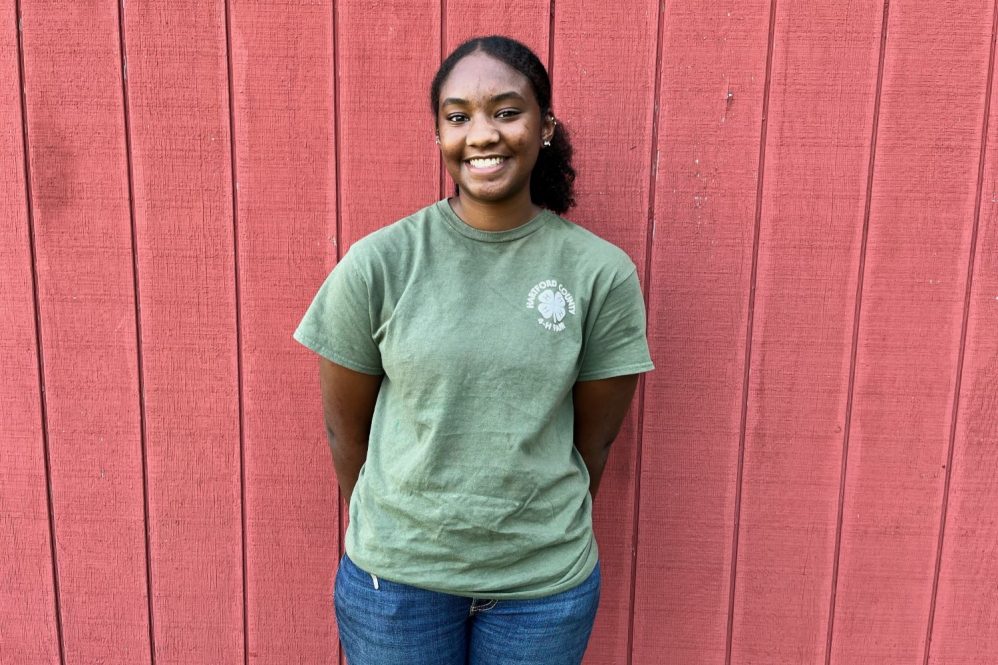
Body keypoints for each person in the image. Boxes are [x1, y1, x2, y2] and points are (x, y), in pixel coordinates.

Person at [294, 35, 654, 665]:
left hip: (542, 590)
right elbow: (343, 433)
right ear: (438, 135)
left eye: (506, 112)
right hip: (396, 587)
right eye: (458, 117)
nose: (481, 134)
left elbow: (593, 442)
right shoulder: (380, 264)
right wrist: (404, 535)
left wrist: (526, 531)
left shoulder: (600, 274)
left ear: (545, 127)